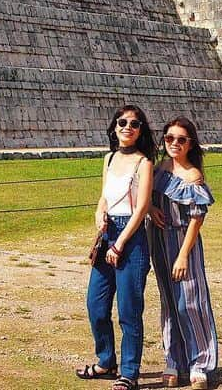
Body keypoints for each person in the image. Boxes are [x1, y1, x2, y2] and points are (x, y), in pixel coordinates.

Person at [76, 105, 156, 390]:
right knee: (96, 304)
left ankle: (129, 373)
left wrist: (120, 243)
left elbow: (143, 206)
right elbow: (104, 196)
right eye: (122, 122)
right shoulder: (109, 158)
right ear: (114, 127)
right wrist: (98, 214)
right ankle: (107, 360)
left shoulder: (144, 162)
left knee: (129, 310)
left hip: (130, 238)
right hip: (108, 231)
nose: (127, 127)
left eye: (134, 124)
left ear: (141, 130)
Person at [148, 117, 218, 389]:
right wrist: (151, 210)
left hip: (182, 243)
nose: (174, 144)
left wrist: (183, 255)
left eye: (181, 139)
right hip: (159, 240)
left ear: (190, 144)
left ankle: (200, 362)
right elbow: (147, 197)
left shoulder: (193, 176)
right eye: (169, 138)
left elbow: (196, 218)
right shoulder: (160, 168)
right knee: (168, 300)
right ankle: (173, 360)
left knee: (190, 301)